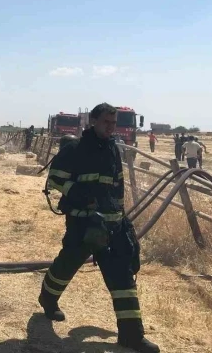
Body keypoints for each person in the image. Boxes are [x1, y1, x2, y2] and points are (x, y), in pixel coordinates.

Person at [40, 103, 159, 353]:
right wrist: (82, 196)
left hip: (112, 225)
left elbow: (117, 185)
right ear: (93, 121)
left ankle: (131, 335)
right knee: (66, 265)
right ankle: (48, 299)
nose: (111, 127)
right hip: (82, 223)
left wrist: (121, 217)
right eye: (107, 122)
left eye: (114, 123)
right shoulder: (74, 149)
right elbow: (55, 180)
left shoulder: (113, 149)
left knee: (122, 276)